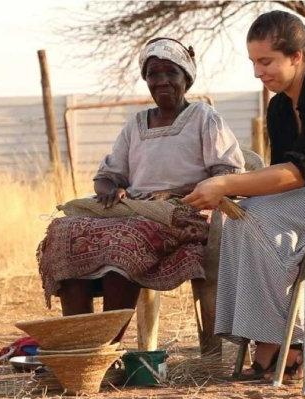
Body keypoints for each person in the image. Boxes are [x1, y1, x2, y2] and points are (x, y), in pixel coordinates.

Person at [182, 10, 305, 379]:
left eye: (266, 61)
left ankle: (288, 339)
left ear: (297, 56)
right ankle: (266, 337)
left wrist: (224, 184)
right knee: (240, 217)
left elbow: (298, 172)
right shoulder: (280, 106)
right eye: (254, 62)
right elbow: (280, 176)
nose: (258, 72)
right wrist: (233, 195)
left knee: (258, 216)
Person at [37, 38, 245, 342]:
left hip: (184, 216)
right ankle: (81, 349)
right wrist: (112, 189)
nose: (161, 81)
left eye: (170, 73)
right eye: (153, 74)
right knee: (64, 231)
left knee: (123, 241)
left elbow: (228, 174)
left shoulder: (204, 118)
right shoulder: (135, 125)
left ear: (186, 77)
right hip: (133, 212)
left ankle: (107, 348)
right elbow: (108, 176)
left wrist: (194, 193)